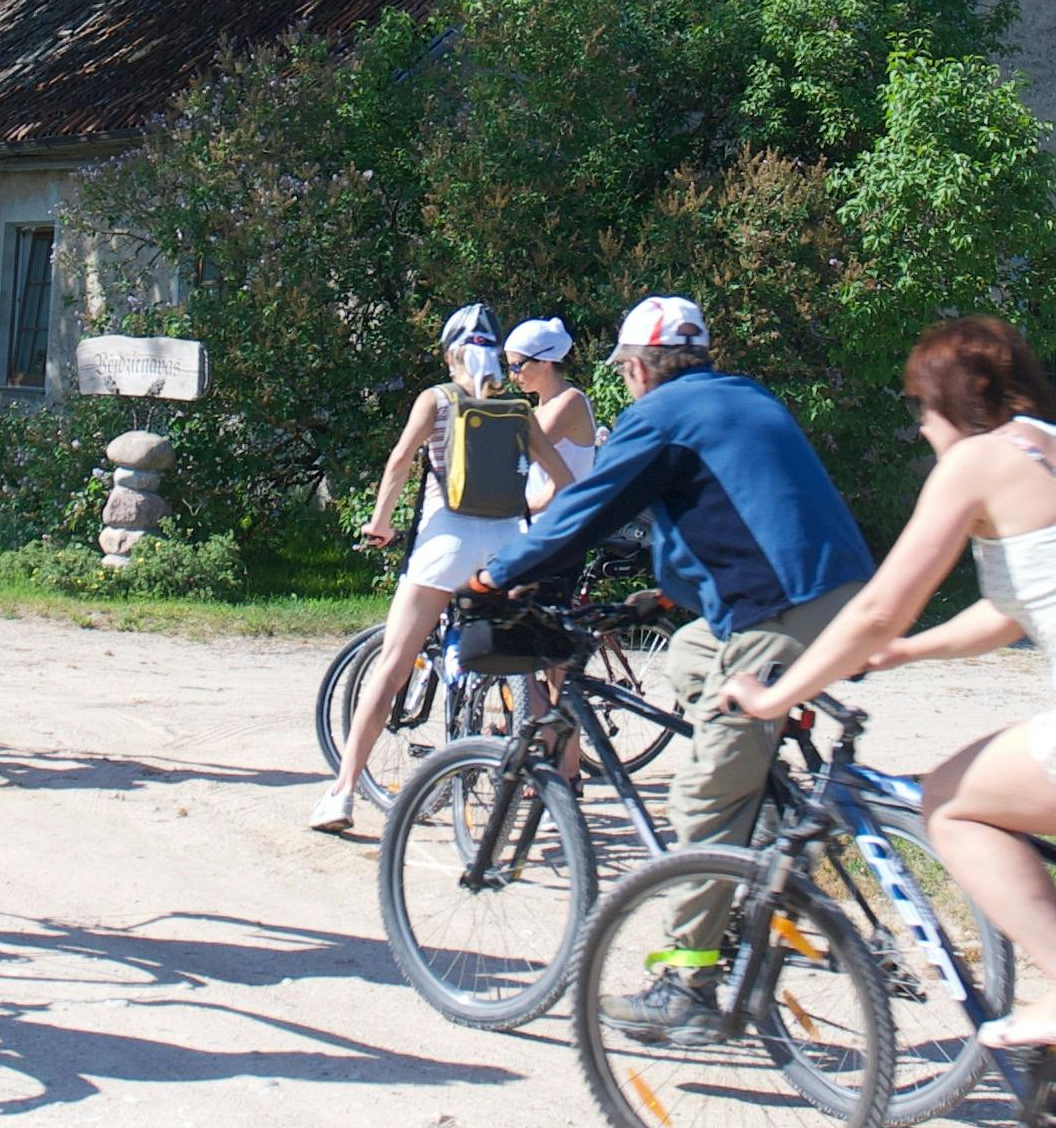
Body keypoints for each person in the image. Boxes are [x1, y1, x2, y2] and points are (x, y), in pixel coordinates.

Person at [727, 316, 1056, 1056]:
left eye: (921, 406)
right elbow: (1011, 612)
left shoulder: (977, 459)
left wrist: (776, 698)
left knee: (948, 804)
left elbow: (879, 607)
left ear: (952, 399)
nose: (921, 427)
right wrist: (905, 653)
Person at [473, 295, 875, 1037]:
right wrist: (665, 595)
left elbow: (588, 508)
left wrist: (496, 574)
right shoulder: (744, 396)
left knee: (702, 797)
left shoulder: (660, 414)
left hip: (780, 614)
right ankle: (768, 807)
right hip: (845, 597)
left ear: (637, 367)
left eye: (626, 370)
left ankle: (687, 983)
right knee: (691, 655)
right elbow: (736, 511)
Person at [309, 304, 587, 836]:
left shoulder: (436, 399)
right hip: (507, 549)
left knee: (393, 665)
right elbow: (563, 480)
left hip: (446, 543)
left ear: (448, 354)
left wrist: (380, 523)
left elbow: (399, 462)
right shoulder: (516, 409)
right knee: (522, 666)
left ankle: (341, 792)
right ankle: (554, 779)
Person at [504, 316, 599, 508]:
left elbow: (518, 459)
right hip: (547, 518)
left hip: (562, 521)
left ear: (544, 362)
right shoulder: (543, 406)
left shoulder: (570, 401)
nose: (512, 376)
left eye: (517, 366)